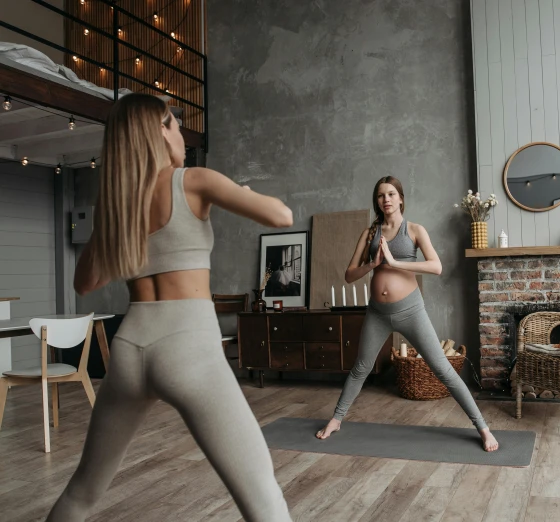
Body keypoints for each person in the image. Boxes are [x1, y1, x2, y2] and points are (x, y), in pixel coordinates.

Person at [46, 93, 293, 522]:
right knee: (262, 495)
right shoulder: (194, 180)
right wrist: (241, 191)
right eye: (176, 125)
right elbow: (281, 216)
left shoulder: (119, 208)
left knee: (82, 492)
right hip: (189, 347)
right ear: (160, 130)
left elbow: (84, 283)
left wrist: (115, 227)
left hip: (130, 349)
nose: (181, 135)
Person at [316, 176, 499, 452]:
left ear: (401, 198)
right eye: (380, 195)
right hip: (377, 312)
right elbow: (349, 275)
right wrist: (373, 264)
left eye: (391, 194)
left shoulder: (414, 230)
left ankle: (483, 428)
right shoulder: (369, 234)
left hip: (410, 310)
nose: (386, 199)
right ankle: (336, 419)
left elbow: (436, 267)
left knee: (443, 371)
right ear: (377, 202)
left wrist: (394, 262)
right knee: (361, 369)